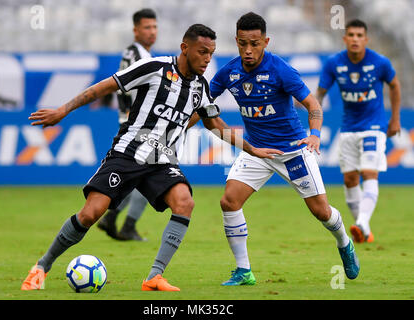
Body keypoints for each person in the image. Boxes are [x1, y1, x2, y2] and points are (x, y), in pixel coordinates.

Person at [21, 23, 282, 292]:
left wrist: (252, 149)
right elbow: (105, 86)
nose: (207, 59)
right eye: (202, 52)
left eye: (211, 54)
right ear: (185, 48)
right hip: (129, 152)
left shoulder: (200, 88)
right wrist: (63, 110)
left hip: (162, 158)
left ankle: (154, 277)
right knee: (90, 215)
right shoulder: (155, 67)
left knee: (184, 203)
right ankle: (41, 267)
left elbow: (215, 124)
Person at [209, 12, 360, 286]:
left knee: (321, 212)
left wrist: (314, 135)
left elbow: (313, 105)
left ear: (265, 41)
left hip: (292, 151)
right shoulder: (228, 72)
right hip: (257, 151)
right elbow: (203, 103)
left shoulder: (281, 70)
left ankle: (344, 242)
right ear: (236, 41)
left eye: (254, 43)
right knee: (229, 201)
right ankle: (244, 271)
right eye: (243, 43)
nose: (248, 50)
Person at [316, 19, 401, 243]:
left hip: (374, 126)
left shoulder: (380, 62)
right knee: (350, 179)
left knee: (369, 172)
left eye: (359, 35)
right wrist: (311, 111)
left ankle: (361, 223)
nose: (355, 39)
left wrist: (395, 119)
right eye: (351, 35)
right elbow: (320, 93)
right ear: (345, 39)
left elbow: (394, 85)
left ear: (366, 39)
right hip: (348, 127)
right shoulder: (334, 63)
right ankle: (364, 229)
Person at [97, 8, 158, 241]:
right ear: (135, 30)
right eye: (146, 27)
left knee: (138, 176)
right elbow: (135, 91)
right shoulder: (139, 57)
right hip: (141, 125)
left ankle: (113, 218)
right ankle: (126, 224)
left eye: (154, 27)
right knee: (150, 173)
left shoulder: (134, 54)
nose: (152, 32)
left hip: (132, 123)